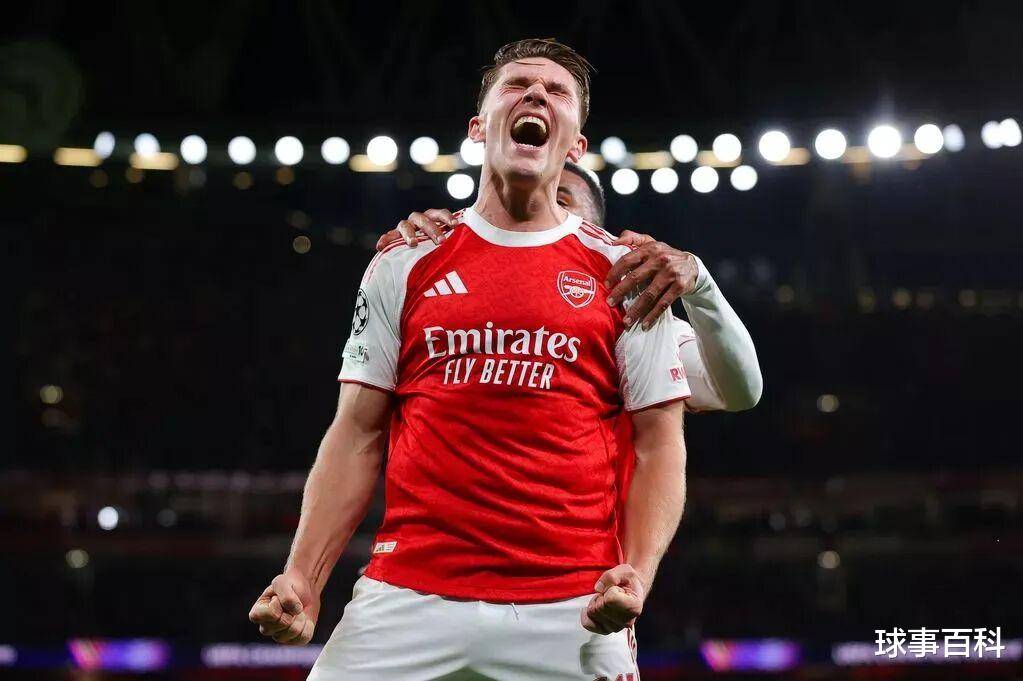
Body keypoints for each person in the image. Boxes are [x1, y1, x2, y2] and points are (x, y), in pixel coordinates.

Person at [249, 38, 689, 680]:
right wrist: (303, 576)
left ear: (576, 146)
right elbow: (357, 432)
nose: (535, 94)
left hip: (571, 606)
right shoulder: (404, 260)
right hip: (405, 598)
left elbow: (660, 443)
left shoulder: (625, 272)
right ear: (479, 129)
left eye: (557, 91)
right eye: (516, 85)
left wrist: (638, 574)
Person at [378, 161, 763, 413]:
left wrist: (701, 286)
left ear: (595, 229)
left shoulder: (627, 310)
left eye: (559, 201)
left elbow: (738, 392)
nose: (538, 214)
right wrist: (415, 255)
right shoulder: (441, 281)